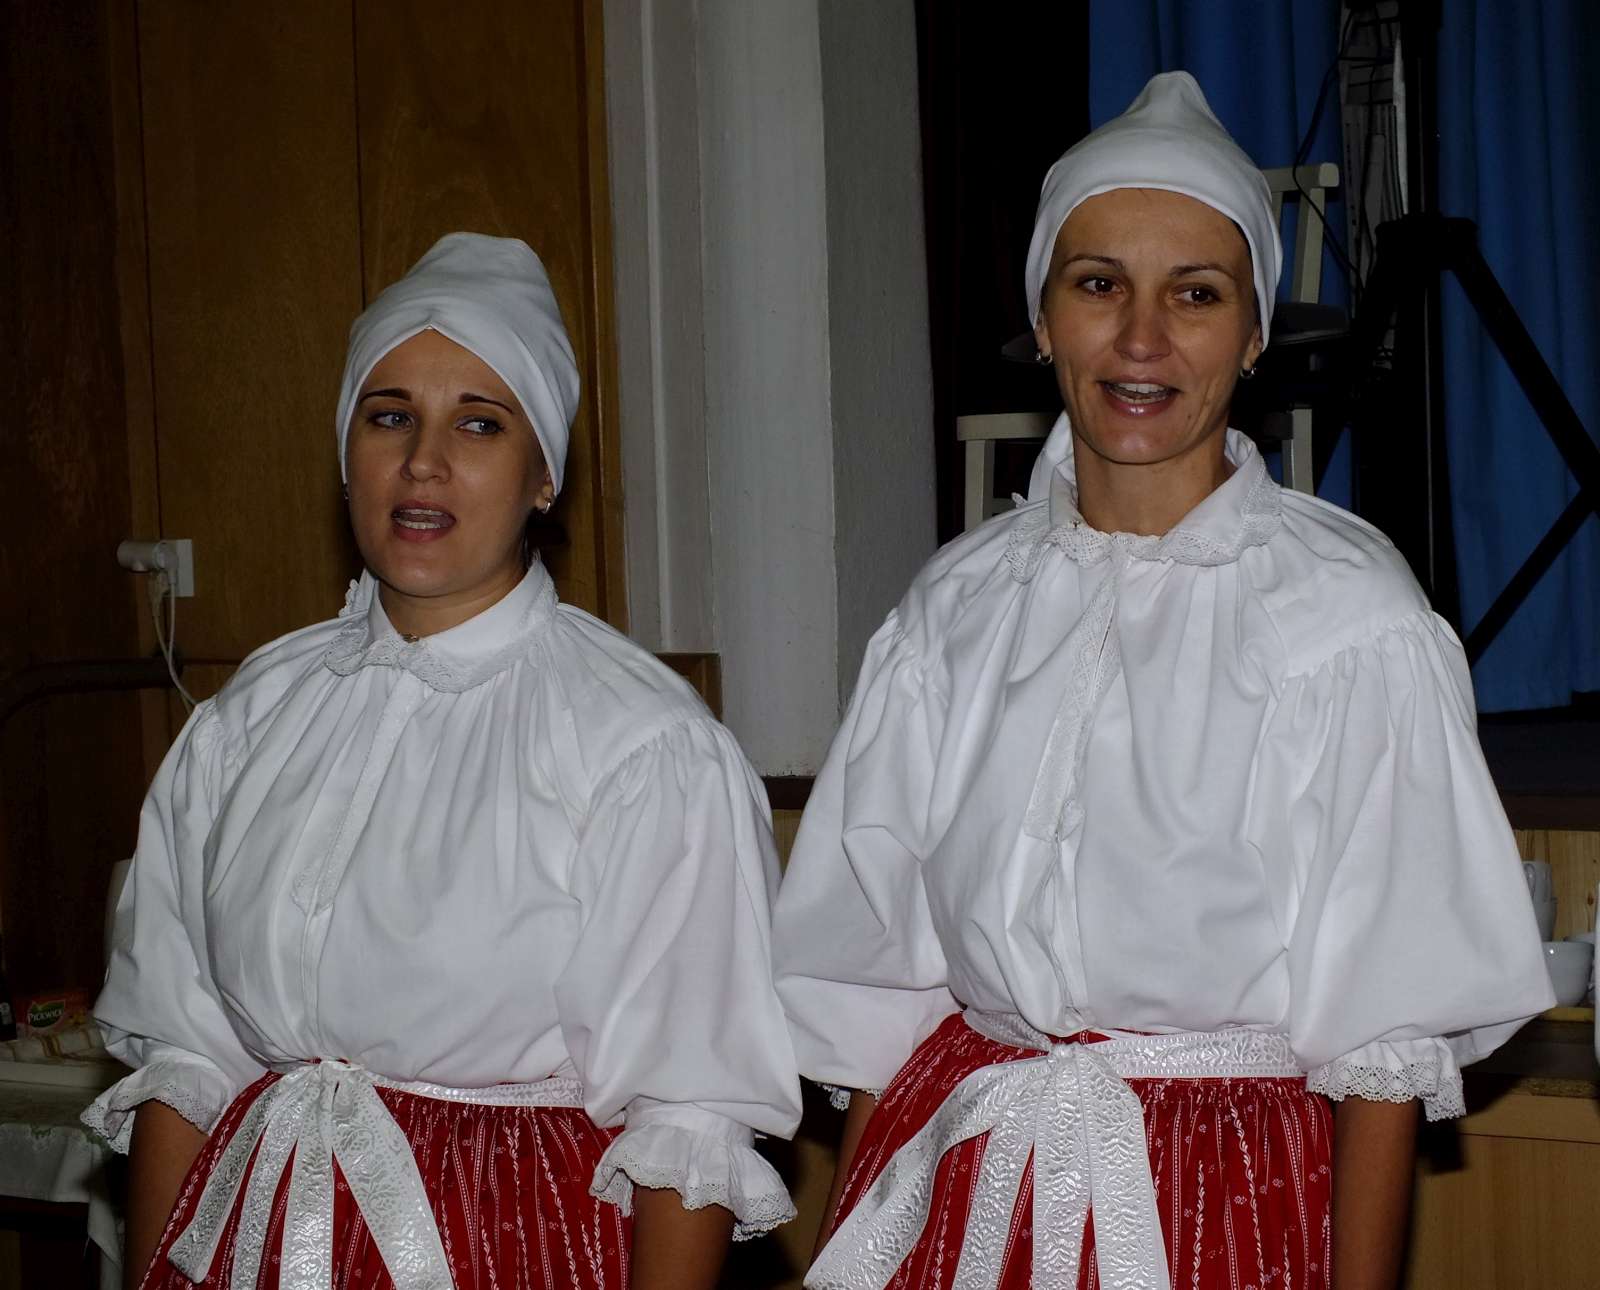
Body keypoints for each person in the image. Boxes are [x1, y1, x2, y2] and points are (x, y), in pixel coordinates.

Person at [772, 72, 1553, 1290]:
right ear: (1042, 320)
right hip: (968, 1178)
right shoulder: (953, 610)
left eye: (1195, 294)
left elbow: (1384, 1036)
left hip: (1220, 1196)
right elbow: (882, 998)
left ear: (1253, 335)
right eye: (1098, 286)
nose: (1141, 340)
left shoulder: (1343, 615)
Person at [86, 232, 801, 1290]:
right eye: (389, 417)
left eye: (479, 422)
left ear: (544, 474)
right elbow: (183, 1059)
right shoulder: (249, 720)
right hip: (256, 1241)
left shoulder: (643, 745)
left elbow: (690, 1117)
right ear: (345, 454)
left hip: (509, 1249)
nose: (423, 462)